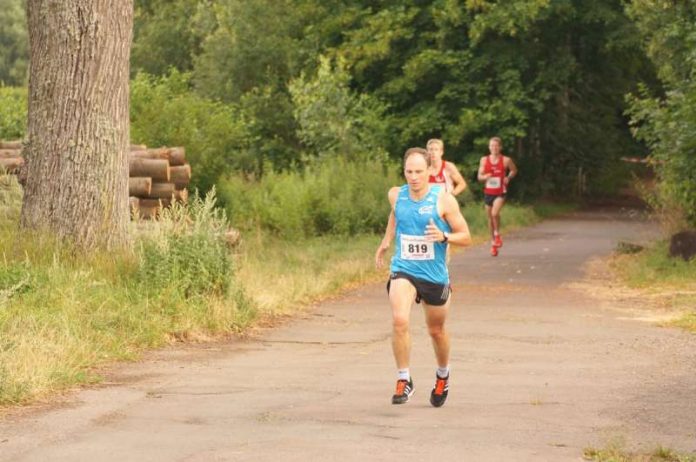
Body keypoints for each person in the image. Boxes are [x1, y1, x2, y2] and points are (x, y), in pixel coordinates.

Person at [375, 147, 472, 407]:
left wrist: (444, 236)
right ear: (403, 171)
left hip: (434, 273)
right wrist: (386, 241)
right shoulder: (396, 195)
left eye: (419, 171)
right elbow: (396, 215)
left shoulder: (443, 199)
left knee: (436, 330)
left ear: (430, 170)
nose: (414, 177)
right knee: (399, 320)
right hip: (404, 268)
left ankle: (443, 375)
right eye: (409, 172)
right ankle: (404, 379)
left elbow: (466, 236)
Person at [477, 136, 518, 257]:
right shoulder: (484, 160)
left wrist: (508, 178)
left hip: (500, 192)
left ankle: (497, 234)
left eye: (496, 146)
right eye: (492, 146)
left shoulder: (506, 160)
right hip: (488, 192)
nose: (494, 148)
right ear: (489, 147)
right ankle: (493, 243)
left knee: (495, 213)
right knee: (489, 217)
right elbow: (479, 176)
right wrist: (485, 177)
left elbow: (514, 170)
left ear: (500, 147)